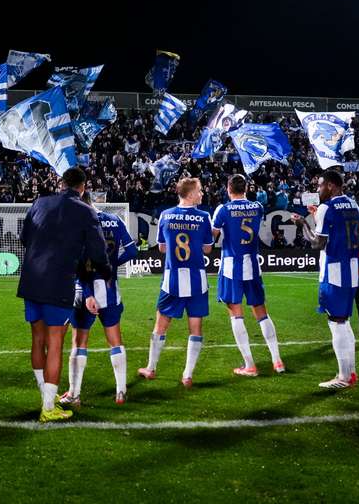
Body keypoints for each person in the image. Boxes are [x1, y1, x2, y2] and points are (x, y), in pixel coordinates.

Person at [18, 167, 110, 422]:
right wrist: (105, 271)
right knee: (56, 342)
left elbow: (25, 238)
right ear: (83, 187)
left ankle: (45, 395)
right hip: (58, 280)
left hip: (31, 279)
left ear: (61, 183)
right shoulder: (86, 211)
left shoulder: (40, 203)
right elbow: (98, 251)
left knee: (38, 339)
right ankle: (48, 407)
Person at [60, 192, 137, 408]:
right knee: (115, 340)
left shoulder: (77, 225)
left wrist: (87, 294)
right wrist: (113, 265)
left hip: (84, 291)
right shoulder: (114, 220)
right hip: (110, 290)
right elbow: (132, 251)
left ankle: (74, 394)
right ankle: (121, 391)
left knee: (79, 342)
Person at [138, 177, 213, 388]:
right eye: (199, 190)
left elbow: (162, 248)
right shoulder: (204, 217)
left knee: (161, 325)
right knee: (195, 327)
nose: (202, 194)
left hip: (172, 280)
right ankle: (187, 375)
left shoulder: (166, 215)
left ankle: (151, 368)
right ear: (190, 194)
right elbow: (208, 249)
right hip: (197, 280)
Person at [292, 170, 359, 389]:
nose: (318, 189)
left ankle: (343, 377)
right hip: (352, 270)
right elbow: (340, 231)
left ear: (331, 185)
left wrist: (303, 224)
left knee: (336, 323)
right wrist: (317, 217)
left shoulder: (327, 207)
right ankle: (351, 373)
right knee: (344, 321)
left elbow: (317, 243)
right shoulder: (354, 205)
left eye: (320, 185)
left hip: (334, 272)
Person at [211, 174, 285, 376]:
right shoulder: (258, 207)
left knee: (236, 313)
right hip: (252, 265)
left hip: (231, 267)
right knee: (261, 312)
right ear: (245, 189)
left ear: (228, 189)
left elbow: (211, 238)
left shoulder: (223, 209)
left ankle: (250, 365)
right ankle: (277, 361)